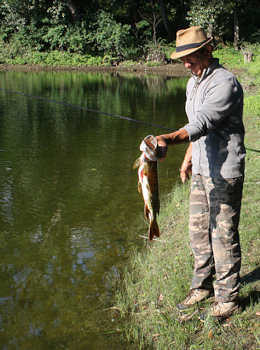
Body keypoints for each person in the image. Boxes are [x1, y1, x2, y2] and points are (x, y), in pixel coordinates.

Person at [155, 26, 245, 318]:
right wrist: (186, 160)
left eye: (190, 57)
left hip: (224, 172)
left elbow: (202, 123)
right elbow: (194, 126)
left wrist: (168, 138)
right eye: (182, 58)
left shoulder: (224, 83)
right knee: (197, 233)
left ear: (207, 50)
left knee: (222, 235)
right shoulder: (193, 82)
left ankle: (228, 298)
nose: (186, 64)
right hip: (201, 169)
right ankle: (202, 286)